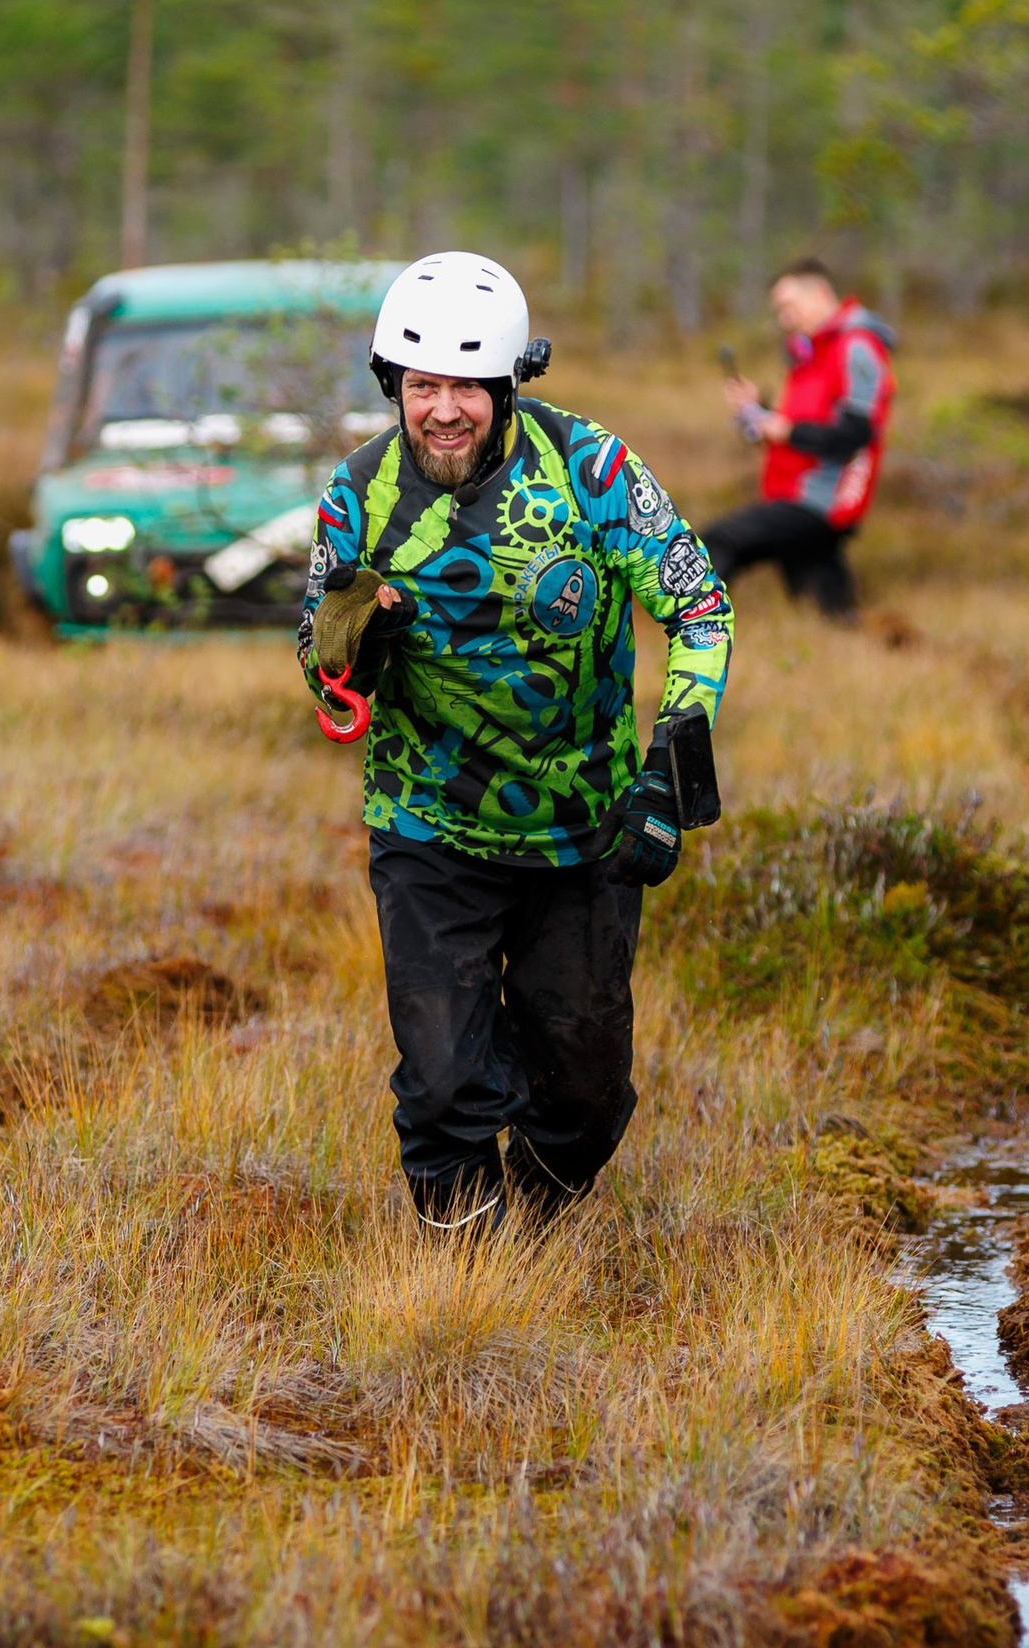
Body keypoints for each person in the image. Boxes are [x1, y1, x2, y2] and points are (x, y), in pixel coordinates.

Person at [297, 252, 734, 1235]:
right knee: (445, 1088)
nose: (441, 410)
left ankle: (535, 1229)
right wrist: (351, 646)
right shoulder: (357, 493)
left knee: (582, 1101)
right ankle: (469, 1276)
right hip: (427, 825)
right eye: (420, 387)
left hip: (583, 830)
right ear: (391, 387)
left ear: (505, 384)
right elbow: (321, 666)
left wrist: (672, 768)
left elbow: (700, 610)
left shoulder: (594, 474)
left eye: (463, 387)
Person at [710, 258, 896, 620]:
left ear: (821, 294)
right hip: (791, 494)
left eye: (788, 307)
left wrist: (784, 429)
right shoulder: (809, 353)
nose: (784, 318)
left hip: (820, 502)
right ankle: (880, 649)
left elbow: (856, 433)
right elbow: (801, 426)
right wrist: (758, 410)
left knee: (719, 543)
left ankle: (693, 634)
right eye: (779, 310)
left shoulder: (856, 347)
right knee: (826, 613)